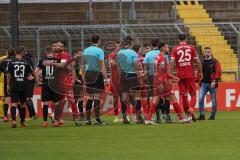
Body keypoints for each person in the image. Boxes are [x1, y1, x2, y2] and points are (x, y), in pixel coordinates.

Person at [145, 42, 189, 125]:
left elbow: (164, 72)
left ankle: (148, 118)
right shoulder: (162, 58)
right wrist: (161, 83)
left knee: (155, 99)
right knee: (173, 98)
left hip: (156, 80)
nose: (168, 49)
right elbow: (161, 72)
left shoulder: (157, 57)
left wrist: (172, 77)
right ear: (163, 48)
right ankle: (181, 118)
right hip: (162, 81)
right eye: (167, 47)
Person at [170, 34, 203, 121]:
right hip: (190, 75)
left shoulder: (175, 49)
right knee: (193, 95)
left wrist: (171, 75)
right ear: (186, 39)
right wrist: (200, 71)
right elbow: (198, 61)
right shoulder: (191, 48)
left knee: (184, 96)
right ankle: (191, 109)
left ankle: (188, 116)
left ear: (178, 40)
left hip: (180, 75)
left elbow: (172, 62)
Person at [82, 35, 108, 125]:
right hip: (96, 74)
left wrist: (83, 76)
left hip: (88, 74)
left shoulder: (86, 50)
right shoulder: (100, 51)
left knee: (89, 97)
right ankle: (97, 120)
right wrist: (105, 78)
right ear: (99, 40)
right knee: (96, 97)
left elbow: (84, 64)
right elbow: (102, 65)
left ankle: (88, 120)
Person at [117, 36, 143, 124]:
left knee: (124, 97)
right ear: (131, 44)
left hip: (123, 75)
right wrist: (138, 74)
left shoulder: (119, 52)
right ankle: (139, 117)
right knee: (137, 96)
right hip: (132, 75)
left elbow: (118, 65)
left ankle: (124, 117)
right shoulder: (133, 53)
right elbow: (135, 64)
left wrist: (120, 75)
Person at [7, 46, 34, 128]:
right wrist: (31, 77)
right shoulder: (26, 62)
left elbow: (9, 75)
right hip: (23, 85)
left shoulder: (11, 62)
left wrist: (8, 85)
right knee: (23, 104)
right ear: (22, 53)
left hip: (14, 85)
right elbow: (31, 73)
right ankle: (22, 122)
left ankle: (14, 120)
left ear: (15, 53)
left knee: (14, 103)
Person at [198, 46, 221, 120]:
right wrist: (197, 81)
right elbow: (199, 72)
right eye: (205, 52)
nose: (207, 53)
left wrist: (214, 81)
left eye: (208, 52)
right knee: (201, 99)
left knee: (213, 100)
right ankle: (202, 115)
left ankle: (213, 115)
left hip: (212, 84)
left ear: (211, 52)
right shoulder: (202, 61)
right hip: (204, 83)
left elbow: (218, 72)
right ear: (204, 53)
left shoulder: (215, 61)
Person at [108, 40, 121, 123]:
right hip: (115, 78)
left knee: (125, 97)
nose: (118, 47)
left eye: (119, 46)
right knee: (115, 98)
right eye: (116, 46)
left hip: (123, 78)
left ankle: (125, 115)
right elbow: (113, 64)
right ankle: (116, 116)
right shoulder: (112, 55)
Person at [0, 48, 15, 122]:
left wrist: (5, 72)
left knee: (7, 99)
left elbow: (1, 69)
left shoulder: (3, 60)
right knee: (15, 101)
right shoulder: (15, 60)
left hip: (7, 81)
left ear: (8, 53)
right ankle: (14, 119)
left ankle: (5, 116)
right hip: (15, 80)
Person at [23, 49, 38, 120]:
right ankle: (32, 115)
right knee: (27, 97)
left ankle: (33, 115)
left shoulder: (25, 59)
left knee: (27, 98)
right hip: (30, 79)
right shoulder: (29, 58)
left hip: (29, 79)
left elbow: (29, 70)